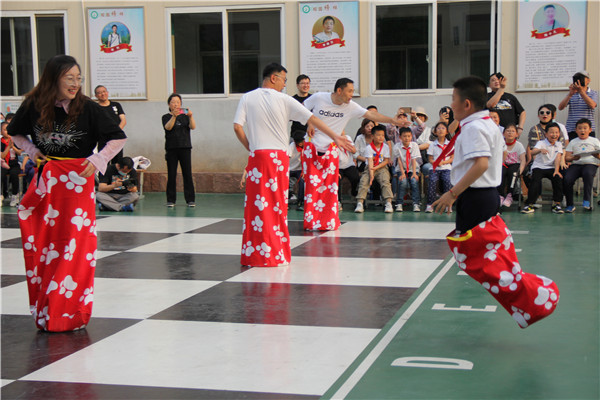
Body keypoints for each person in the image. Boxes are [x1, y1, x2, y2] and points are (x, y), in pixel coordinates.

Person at [7, 54, 126, 331]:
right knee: (46, 245)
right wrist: (33, 152)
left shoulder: (88, 108)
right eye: (69, 78)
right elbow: (15, 134)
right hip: (48, 182)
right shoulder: (34, 105)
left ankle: (70, 312)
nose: (75, 83)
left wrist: (96, 161)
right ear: (53, 79)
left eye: (79, 78)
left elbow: (118, 138)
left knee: (74, 247)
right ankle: (47, 308)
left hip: (77, 185)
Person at [432, 76, 559, 329]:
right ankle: (529, 299)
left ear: (466, 103)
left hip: (475, 196)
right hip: (484, 195)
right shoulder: (488, 124)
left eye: (453, 100)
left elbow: (481, 164)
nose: (451, 106)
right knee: (488, 259)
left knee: (482, 262)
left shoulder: (474, 128)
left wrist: (452, 193)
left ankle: (533, 299)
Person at [233, 63, 353, 267]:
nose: (284, 84)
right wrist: (335, 135)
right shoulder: (284, 99)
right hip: (278, 159)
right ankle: (275, 253)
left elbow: (237, 127)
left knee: (256, 207)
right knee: (277, 206)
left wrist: (251, 149)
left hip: (257, 157)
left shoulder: (247, 97)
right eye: (283, 80)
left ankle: (254, 254)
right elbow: (312, 118)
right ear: (273, 78)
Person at [302, 77, 400, 230]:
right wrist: (309, 123)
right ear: (339, 90)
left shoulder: (350, 106)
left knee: (330, 188)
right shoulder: (319, 97)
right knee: (312, 188)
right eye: (349, 91)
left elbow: (372, 115)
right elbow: (303, 110)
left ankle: (328, 221)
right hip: (312, 149)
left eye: (353, 92)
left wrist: (393, 121)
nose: (351, 95)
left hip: (331, 150)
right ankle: (310, 222)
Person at [521, 122, 564, 214]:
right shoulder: (541, 143)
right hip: (539, 167)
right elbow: (532, 152)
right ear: (546, 134)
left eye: (556, 132)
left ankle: (556, 204)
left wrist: (556, 170)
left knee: (558, 179)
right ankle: (530, 204)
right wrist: (540, 150)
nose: (554, 135)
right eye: (552, 132)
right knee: (535, 180)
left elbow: (558, 158)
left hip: (552, 167)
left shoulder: (559, 144)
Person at [162, 93, 196, 207]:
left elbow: (193, 127)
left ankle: (190, 199)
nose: (176, 104)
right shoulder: (166, 117)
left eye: (178, 102)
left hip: (185, 147)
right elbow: (168, 127)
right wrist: (174, 116)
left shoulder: (185, 116)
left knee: (187, 174)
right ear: (169, 104)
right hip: (171, 148)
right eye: (173, 102)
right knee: (171, 174)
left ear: (181, 104)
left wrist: (191, 116)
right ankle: (171, 200)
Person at [354, 125, 394, 213]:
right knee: (364, 181)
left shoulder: (385, 147)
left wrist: (376, 167)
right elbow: (370, 161)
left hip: (382, 167)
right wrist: (371, 175)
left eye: (382, 135)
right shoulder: (369, 148)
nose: (381, 137)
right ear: (372, 136)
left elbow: (386, 161)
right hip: (369, 168)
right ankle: (360, 203)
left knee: (385, 181)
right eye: (378, 135)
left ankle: (388, 203)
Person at [563, 118, 600, 212]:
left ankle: (587, 200)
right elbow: (567, 157)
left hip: (590, 164)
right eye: (579, 128)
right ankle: (570, 204)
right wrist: (573, 158)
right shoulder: (573, 142)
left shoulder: (595, 141)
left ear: (590, 130)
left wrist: (597, 155)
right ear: (576, 130)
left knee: (587, 173)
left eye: (585, 128)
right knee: (567, 178)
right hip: (576, 164)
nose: (582, 130)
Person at [558, 71, 598, 140]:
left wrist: (581, 92)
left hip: (587, 130)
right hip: (572, 129)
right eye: (577, 79)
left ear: (588, 80)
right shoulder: (572, 93)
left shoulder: (593, 93)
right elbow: (560, 107)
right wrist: (570, 94)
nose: (579, 80)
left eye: (582, 78)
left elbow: (592, 105)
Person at [425, 122, 453, 213]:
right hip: (435, 168)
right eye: (438, 128)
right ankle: (430, 204)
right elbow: (430, 159)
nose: (441, 130)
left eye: (443, 128)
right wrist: (437, 163)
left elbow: (452, 158)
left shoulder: (450, 144)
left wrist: (443, 162)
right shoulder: (432, 144)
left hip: (447, 168)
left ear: (447, 131)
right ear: (435, 132)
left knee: (447, 180)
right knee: (432, 181)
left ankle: (447, 205)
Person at [95, 85, 126, 164]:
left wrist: (116, 132)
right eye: (99, 93)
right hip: (103, 139)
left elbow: (123, 120)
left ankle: (116, 177)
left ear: (107, 92)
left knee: (118, 163)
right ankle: (104, 176)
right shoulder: (95, 107)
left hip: (116, 139)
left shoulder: (116, 105)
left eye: (104, 91)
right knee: (103, 162)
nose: (102, 94)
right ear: (96, 96)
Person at [498, 124, 526, 208]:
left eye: (513, 131)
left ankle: (510, 195)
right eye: (508, 131)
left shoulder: (519, 145)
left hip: (515, 165)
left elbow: (523, 160)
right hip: (503, 164)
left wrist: (520, 171)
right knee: (501, 172)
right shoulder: (500, 144)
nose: (510, 133)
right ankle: (500, 195)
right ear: (503, 133)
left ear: (516, 134)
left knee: (513, 173)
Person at [393, 127, 421, 212]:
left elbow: (413, 159)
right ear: (400, 137)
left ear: (411, 136)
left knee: (414, 181)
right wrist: (402, 173)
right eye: (404, 136)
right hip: (402, 168)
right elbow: (399, 161)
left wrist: (414, 174)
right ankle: (399, 203)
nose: (407, 138)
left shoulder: (414, 145)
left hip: (413, 168)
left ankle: (416, 203)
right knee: (403, 182)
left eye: (409, 136)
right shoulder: (397, 146)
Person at [1, 121, 22, 206]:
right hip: (3, 164)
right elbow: (2, 156)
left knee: (14, 174)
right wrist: (8, 147)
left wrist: (12, 146)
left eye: (8, 129)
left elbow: (19, 153)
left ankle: (14, 195)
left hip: (14, 164)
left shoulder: (15, 141)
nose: (7, 131)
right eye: (5, 130)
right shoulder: (1, 142)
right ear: (1, 132)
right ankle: (1, 195)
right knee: (1, 175)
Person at [337, 133, 359, 210]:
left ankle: (353, 193)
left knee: (355, 177)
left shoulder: (347, 137)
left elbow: (354, 151)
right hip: (337, 167)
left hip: (349, 165)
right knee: (336, 180)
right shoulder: (332, 139)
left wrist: (347, 145)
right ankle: (338, 201)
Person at [288, 130, 305, 210]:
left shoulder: (307, 147)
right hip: (290, 169)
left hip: (300, 170)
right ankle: (285, 201)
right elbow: (287, 157)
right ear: (299, 143)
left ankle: (300, 202)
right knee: (284, 181)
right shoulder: (292, 146)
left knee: (302, 181)